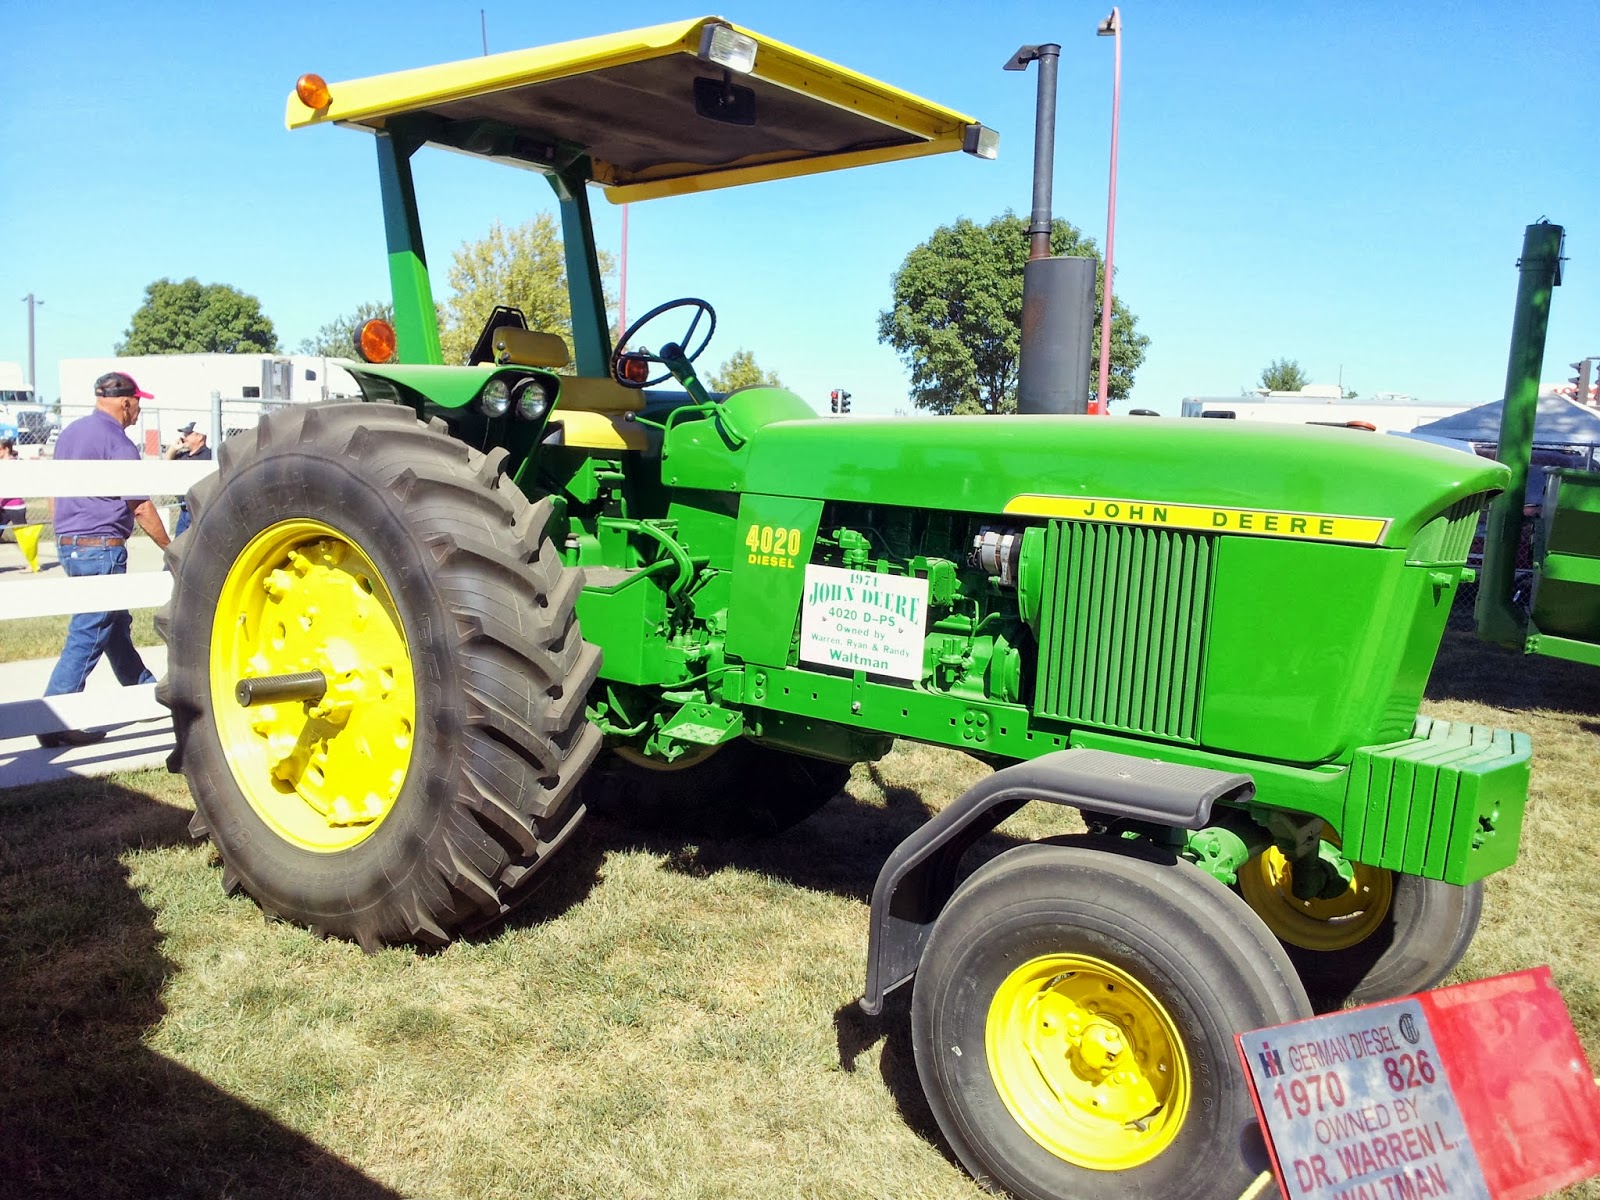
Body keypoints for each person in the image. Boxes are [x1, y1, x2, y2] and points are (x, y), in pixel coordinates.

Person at [39, 372, 172, 748]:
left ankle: (145, 694)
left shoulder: (71, 435)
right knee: (92, 626)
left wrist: (65, 530)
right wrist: (171, 546)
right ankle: (54, 717)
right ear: (125, 401)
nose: (139, 409)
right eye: (138, 402)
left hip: (70, 542)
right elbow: (141, 506)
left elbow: (51, 491)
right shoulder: (118, 442)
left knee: (112, 625)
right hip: (102, 545)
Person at [163, 419, 212, 536]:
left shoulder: (207, 456)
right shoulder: (183, 455)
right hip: (184, 509)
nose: (184, 437)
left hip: (197, 510)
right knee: (179, 545)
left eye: (188, 434)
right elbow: (165, 465)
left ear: (200, 437)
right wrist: (173, 449)